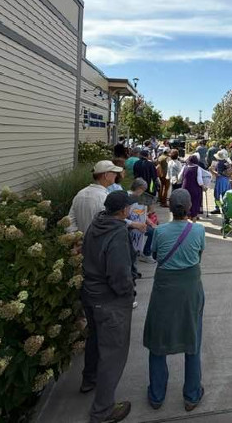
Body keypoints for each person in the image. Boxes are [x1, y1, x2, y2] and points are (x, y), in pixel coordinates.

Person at [143, 189, 206, 412]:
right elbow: (197, 256)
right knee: (192, 338)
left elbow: (155, 256)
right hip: (190, 287)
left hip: (164, 289)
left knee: (158, 341)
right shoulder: (198, 230)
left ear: (169, 206)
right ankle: (191, 394)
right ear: (189, 207)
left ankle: (157, 395)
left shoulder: (159, 231)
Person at [80, 190, 138, 422]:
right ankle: (102, 411)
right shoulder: (117, 234)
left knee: (94, 339)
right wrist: (127, 291)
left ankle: (89, 379)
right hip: (110, 300)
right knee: (113, 353)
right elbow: (119, 274)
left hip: (90, 294)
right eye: (128, 207)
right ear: (123, 210)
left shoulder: (96, 225)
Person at [68, 161, 124, 234]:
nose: (116, 175)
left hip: (81, 243)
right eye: (114, 173)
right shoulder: (106, 198)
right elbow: (109, 226)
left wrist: (76, 239)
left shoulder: (80, 193)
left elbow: (70, 220)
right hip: (98, 243)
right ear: (106, 175)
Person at [128, 179, 155, 264]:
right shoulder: (128, 196)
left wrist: (149, 221)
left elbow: (143, 213)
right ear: (139, 188)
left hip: (141, 224)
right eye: (143, 189)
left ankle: (145, 253)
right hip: (131, 225)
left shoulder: (140, 198)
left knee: (152, 231)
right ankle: (138, 255)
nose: (143, 192)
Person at [179, 155, 204, 221]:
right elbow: (200, 181)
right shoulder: (197, 168)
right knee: (194, 205)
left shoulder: (184, 167)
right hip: (195, 189)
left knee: (185, 205)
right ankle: (193, 223)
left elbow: (179, 177)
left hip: (185, 188)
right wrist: (203, 186)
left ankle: (185, 222)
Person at [211, 149, 232, 214]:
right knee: (224, 195)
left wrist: (211, 170)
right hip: (226, 180)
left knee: (216, 195)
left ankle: (218, 208)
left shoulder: (219, 163)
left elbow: (218, 174)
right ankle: (224, 208)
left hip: (220, 180)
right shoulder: (227, 162)